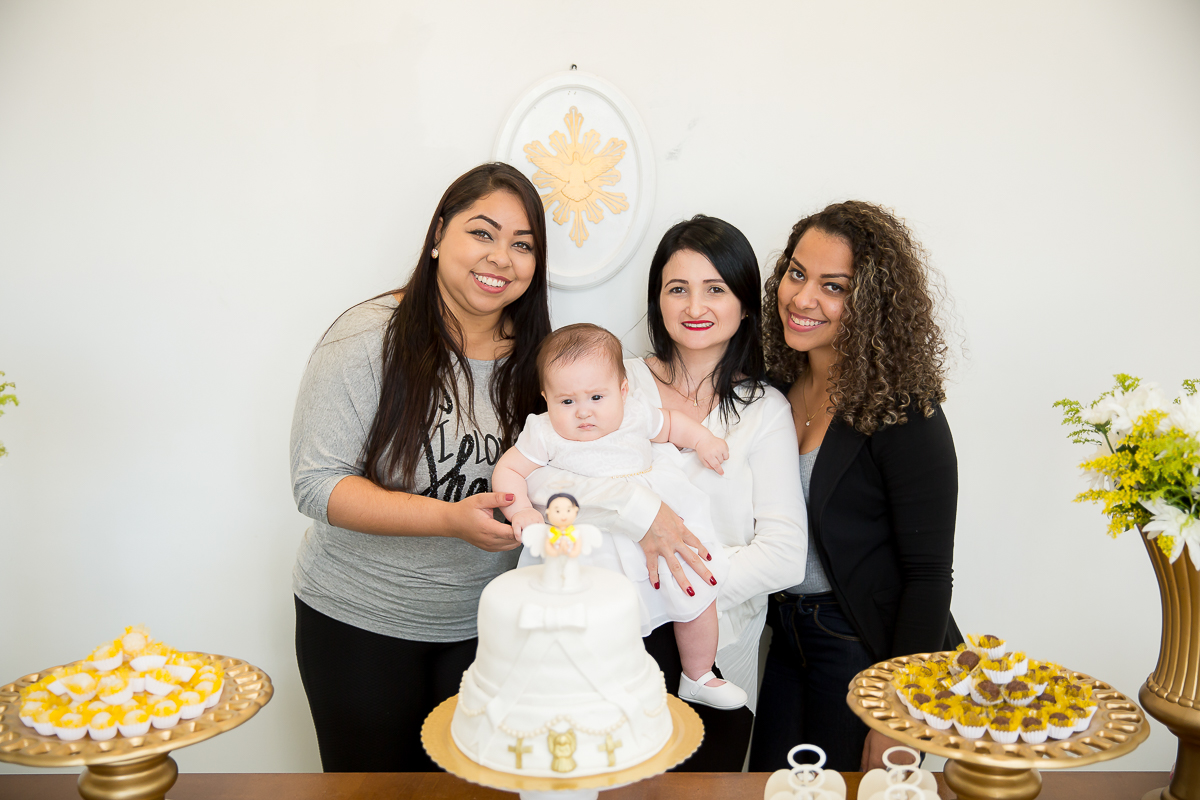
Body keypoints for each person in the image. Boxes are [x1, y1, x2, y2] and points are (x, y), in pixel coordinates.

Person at [289, 163, 551, 772]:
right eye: (482, 234)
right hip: (359, 623)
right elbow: (315, 484)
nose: (500, 258)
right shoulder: (366, 336)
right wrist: (448, 520)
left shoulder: (541, 358)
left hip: (488, 633)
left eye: (522, 245)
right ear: (438, 236)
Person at [524, 215, 809, 769]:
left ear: (747, 303)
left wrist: (675, 584)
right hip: (607, 642)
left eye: (716, 289)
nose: (694, 307)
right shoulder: (609, 381)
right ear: (657, 299)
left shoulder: (765, 411)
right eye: (677, 289)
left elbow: (783, 558)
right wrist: (638, 514)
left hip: (717, 644)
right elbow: (541, 480)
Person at [748, 201, 962, 774]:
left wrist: (900, 713)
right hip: (785, 633)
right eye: (796, 273)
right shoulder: (774, 389)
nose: (802, 298)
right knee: (775, 788)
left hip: (859, 645)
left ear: (872, 306)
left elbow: (927, 578)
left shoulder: (906, 413)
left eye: (833, 286)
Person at [493, 323, 747, 710]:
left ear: (623, 390)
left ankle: (699, 675)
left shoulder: (635, 414)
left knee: (696, 595)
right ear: (546, 398)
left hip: (661, 538)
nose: (583, 412)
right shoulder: (544, 432)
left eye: (597, 396)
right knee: (592, 620)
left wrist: (703, 440)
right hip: (593, 547)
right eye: (566, 402)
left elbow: (673, 425)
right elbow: (508, 471)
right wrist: (521, 509)